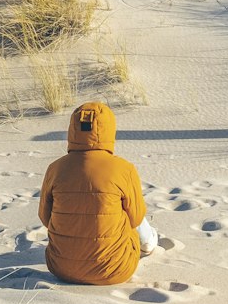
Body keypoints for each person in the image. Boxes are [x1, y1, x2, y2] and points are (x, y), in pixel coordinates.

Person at [38, 100, 159, 286]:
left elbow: (45, 217)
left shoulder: (55, 168)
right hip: (115, 270)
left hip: (60, 269)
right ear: (109, 130)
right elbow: (135, 219)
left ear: (73, 130)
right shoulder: (124, 168)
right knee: (130, 208)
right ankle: (149, 243)